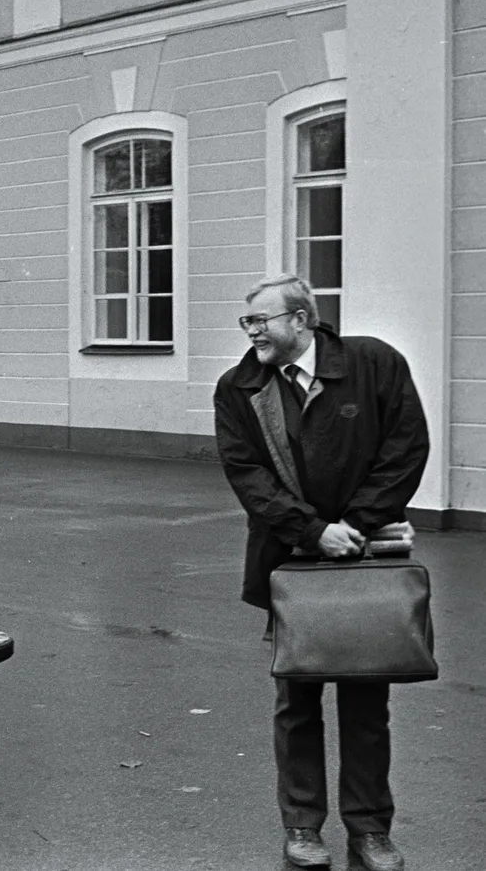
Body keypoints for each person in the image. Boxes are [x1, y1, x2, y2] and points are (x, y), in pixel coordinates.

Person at [213, 276, 429, 871]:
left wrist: (355, 525)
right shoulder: (239, 386)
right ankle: (303, 828)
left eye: (262, 320)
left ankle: (370, 830)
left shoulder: (374, 363)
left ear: (303, 320)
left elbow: (407, 448)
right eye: (246, 322)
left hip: (365, 553)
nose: (251, 331)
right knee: (297, 698)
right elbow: (246, 473)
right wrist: (313, 532)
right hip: (289, 557)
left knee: (366, 700)